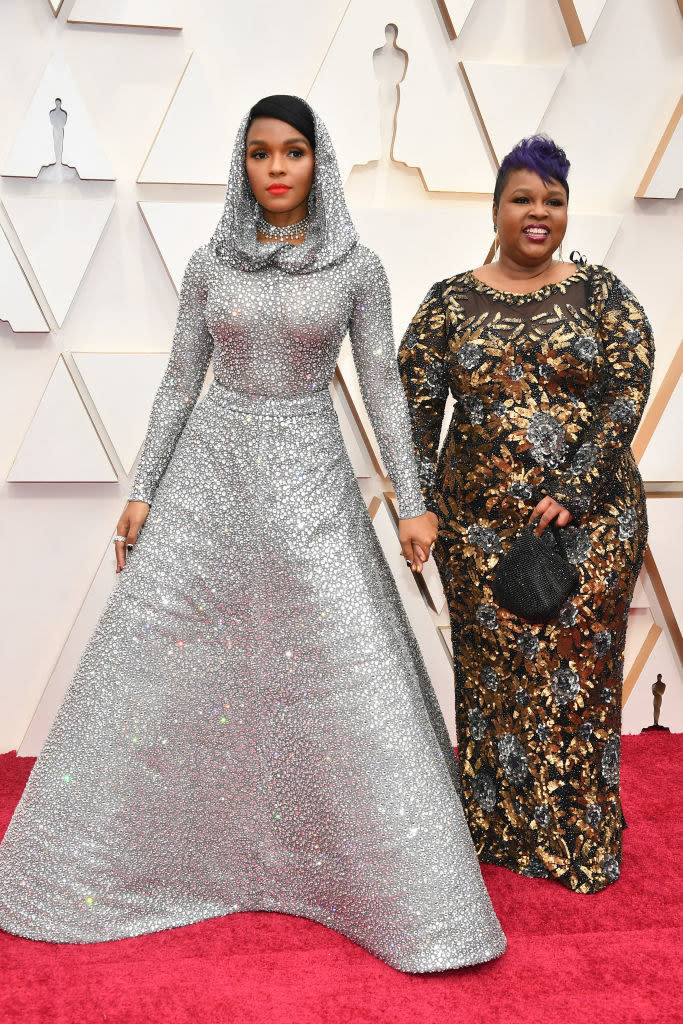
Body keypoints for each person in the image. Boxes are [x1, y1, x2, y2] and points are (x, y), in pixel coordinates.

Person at [0, 96, 505, 971]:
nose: (277, 168)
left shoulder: (357, 267)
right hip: (210, 473)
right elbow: (176, 384)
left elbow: (383, 389)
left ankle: (376, 887)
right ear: (243, 165)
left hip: (310, 473)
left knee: (343, 664)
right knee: (165, 662)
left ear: (320, 161)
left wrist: (412, 498)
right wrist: (143, 488)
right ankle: (144, 861)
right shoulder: (209, 264)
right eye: (261, 153)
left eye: (295, 152)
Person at [398, 135, 653, 894]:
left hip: (592, 526)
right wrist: (415, 506)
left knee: (576, 676)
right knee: (494, 679)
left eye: (553, 199)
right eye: (522, 198)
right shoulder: (448, 302)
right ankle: (497, 833)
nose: (538, 213)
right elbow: (412, 410)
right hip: (476, 531)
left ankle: (577, 839)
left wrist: (574, 490)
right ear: (496, 207)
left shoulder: (602, 294)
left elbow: (625, 394)